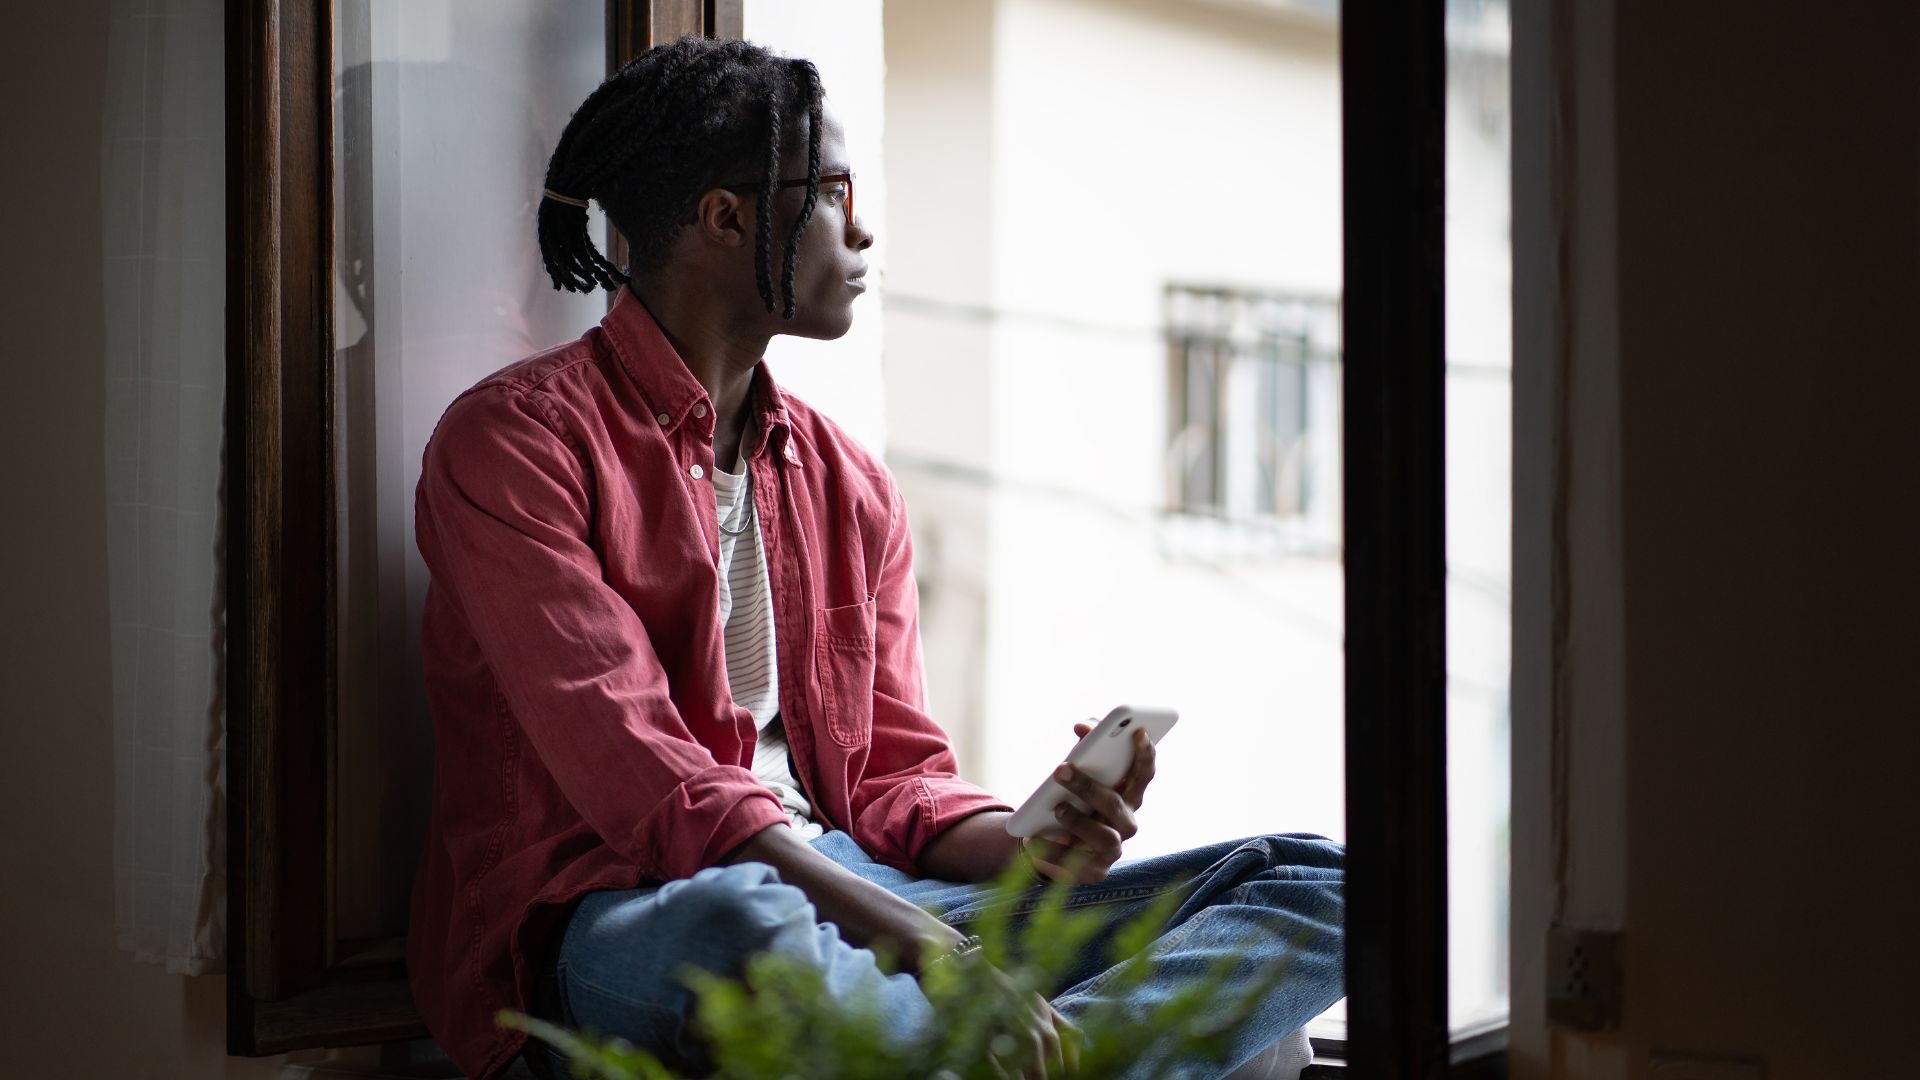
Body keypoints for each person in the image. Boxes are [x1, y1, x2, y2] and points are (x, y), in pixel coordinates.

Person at [405, 35, 1343, 1080]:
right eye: (834, 193)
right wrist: (923, 941)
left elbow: (896, 778)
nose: (862, 229)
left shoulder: (849, 485)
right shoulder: (513, 444)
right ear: (725, 219)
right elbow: (649, 783)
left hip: (869, 890)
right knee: (740, 925)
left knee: (1328, 881)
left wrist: (1027, 844)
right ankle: (1079, 1049)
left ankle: (1035, 1058)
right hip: (632, 910)